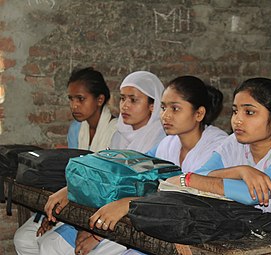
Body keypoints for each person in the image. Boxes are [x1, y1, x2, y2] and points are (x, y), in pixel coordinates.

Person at [166, 77, 271, 255]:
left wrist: (188, 180)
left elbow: (250, 194)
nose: (237, 120)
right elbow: (201, 173)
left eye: (249, 112)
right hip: (244, 245)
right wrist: (240, 171)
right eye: (235, 111)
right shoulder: (234, 145)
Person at [82, 75, 228, 255]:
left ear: (199, 114)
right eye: (163, 107)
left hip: (202, 239)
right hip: (167, 229)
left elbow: (189, 200)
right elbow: (134, 171)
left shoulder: (217, 147)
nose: (165, 115)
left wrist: (129, 203)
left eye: (175, 109)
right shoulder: (169, 143)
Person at [39, 71, 167, 255]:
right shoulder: (119, 136)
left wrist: (96, 235)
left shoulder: (160, 141)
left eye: (133, 100)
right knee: (48, 246)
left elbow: (150, 195)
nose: (125, 106)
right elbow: (101, 181)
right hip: (101, 216)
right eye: (122, 98)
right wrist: (69, 192)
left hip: (132, 225)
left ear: (152, 106)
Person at [13, 67, 117, 255]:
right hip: (72, 197)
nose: (74, 105)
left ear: (99, 100)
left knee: (49, 245)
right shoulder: (76, 129)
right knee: (22, 238)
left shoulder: (116, 131)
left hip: (97, 206)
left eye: (81, 99)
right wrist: (53, 214)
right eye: (71, 99)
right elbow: (71, 175)